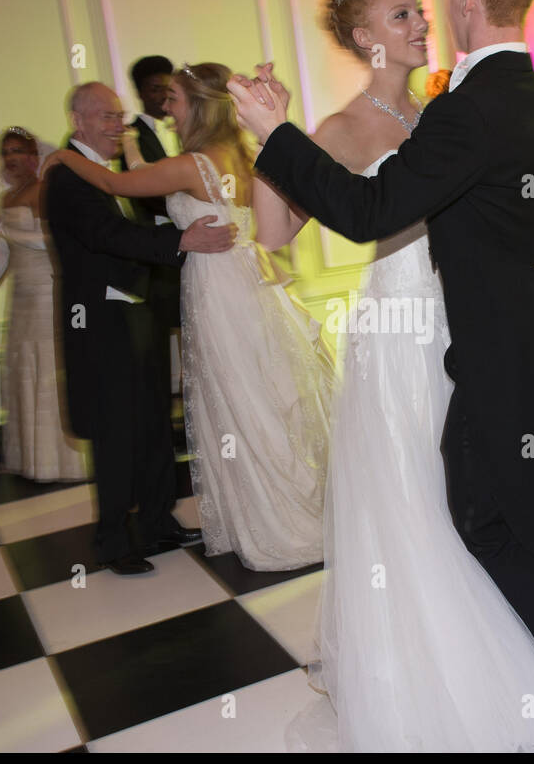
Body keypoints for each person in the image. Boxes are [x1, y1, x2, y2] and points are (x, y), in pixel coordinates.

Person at [231, 0, 534, 745]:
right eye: (398, 13)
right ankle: (467, 667)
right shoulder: (409, 118)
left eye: (421, 7)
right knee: (434, 502)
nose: (418, 22)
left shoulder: (447, 113)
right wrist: (271, 139)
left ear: (461, 2)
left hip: (469, 331)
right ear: (363, 36)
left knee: (470, 507)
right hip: (416, 328)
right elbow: (279, 231)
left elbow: (408, 203)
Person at [44, 68, 332, 572]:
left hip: (215, 292)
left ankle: (252, 519)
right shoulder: (242, 154)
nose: (157, 109)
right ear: (78, 119)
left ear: (197, 107)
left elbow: (117, 184)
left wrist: (63, 155)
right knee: (253, 399)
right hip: (237, 286)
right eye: (110, 115)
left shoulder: (183, 164)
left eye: (172, 99)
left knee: (233, 402)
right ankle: (251, 513)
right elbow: (113, 221)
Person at [44, 82, 229, 576]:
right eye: (104, 117)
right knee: (114, 434)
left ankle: (155, 522)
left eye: (119, 117)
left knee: (151, 424)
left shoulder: (109, 173)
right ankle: (111, 541)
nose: (116, 125)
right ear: (78, 120)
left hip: (136, 319)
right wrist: (180, 240)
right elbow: (106, 235)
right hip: (101, 326)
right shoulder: (66, 179)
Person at [0, 126, 88, 481]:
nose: (11, 159)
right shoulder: (7, 198)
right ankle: (33, 459)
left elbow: (49, 241)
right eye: (5, 152)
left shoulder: (42, 191)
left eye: (17, 151)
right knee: (24, 369)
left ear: (34, 157)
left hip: (45, 293)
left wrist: (2, 230)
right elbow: (6, 257)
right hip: (21, 297)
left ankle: (61, 462)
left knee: (48, 371)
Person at [123, 55, 184, 393]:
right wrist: (186, 199)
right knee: (160, 339)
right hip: (158, 252)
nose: (162, 96)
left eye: (167, 89)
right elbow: (143, 191)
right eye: (153, 89)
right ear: (140, 92)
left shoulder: (180, 127)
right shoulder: (132, 136)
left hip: (181, 247)